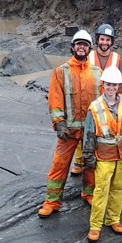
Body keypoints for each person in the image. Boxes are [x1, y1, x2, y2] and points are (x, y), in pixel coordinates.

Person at [38, 29, 102, 218]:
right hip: (69, 131)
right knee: (60, 164)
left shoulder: (98, 73)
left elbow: (102, 102)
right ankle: (52, 201)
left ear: (89, 48)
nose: (81, 47)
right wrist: (59, 123)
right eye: (78, 44)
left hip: (90, 130)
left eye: (85, 44)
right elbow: (55, 99)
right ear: (72, 47)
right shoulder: (61, 72)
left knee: (91, 164)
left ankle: (89, 193)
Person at [82, 66, 122, 243]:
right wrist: (88, 155)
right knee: (101, 191)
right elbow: (89, 134)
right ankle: (95, 226)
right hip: (104, 157)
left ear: (118, 86)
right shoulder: (95, 107)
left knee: (119, 189)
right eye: (108, 84)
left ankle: (113, 219)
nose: (111, 88)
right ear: (103, 85)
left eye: (114, 85)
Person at [70, 23, 122, 176]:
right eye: (102, 39)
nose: (105, 43)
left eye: (108, 40)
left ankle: (102, 160)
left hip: (109, 101)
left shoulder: (117, 59)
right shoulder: (89, 55)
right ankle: (79, 162)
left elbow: (121, 84)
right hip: (90, 99)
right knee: (84, 131)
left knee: (103, 133)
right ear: (97, 40)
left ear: (112, 42)